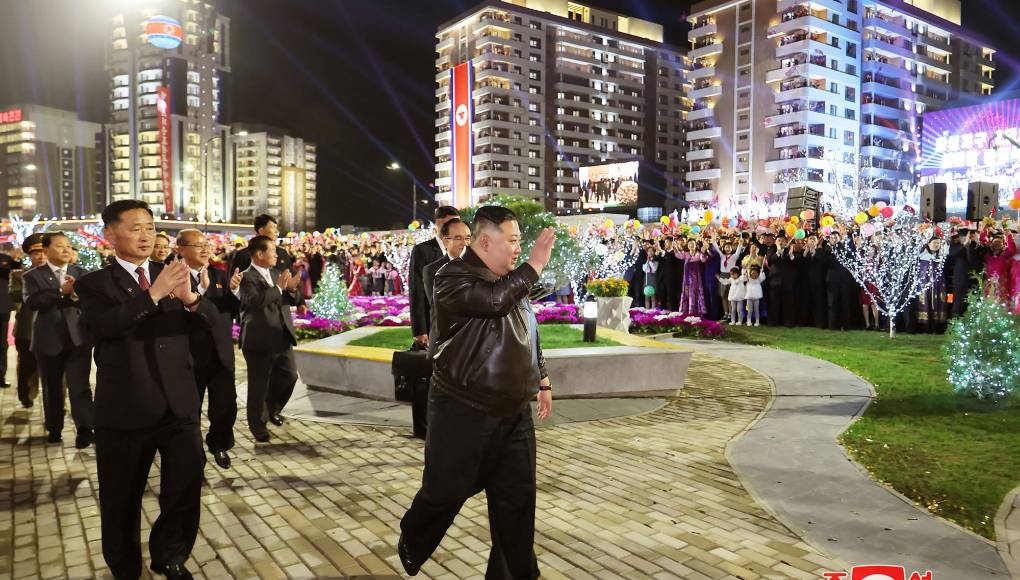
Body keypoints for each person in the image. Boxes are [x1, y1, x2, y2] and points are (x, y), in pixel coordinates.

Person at [398, 206, 555, 579]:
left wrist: (543, 381)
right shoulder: (450, 276)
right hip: (463, 410)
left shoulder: (511, 281)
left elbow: (530, 334)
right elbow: (493, 302)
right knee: (445, 493)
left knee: (516, 504)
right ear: (486, 241)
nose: (519, 248)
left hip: (514, 413)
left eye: (520, 241)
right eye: (513, 241)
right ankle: (413, 536)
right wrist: (532, 266)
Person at [75, 199, 218, 580]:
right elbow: (99, 328)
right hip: (125, 408)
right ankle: (124, 567)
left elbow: (211, 327)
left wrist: (191, 301)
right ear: (110, 235)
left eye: (151, 228)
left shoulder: (173, 272)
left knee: (185, 487)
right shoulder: (94, 284)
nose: (145, 235)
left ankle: (170, 555)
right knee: (121, 498)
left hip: (179, 405)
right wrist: (152, 295)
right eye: (136, 227)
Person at [176, 229, 243, 469]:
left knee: (225, 405)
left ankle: (219, 443)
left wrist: (236, 292)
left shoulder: (220, 275)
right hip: (190, 356)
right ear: (181, 249)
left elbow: (230, 310)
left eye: (206, 244)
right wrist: (201, 292)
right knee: (190, 409)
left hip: (220, 352)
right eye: (198, 245)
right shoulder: (173, 277)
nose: (205, 249)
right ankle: (194, 454)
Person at [23, 232, 95, 447]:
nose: (66, 250)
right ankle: (54, 428)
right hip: (48, 340)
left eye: (68, 246)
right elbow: (33, 302)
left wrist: (75, 294)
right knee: (52, 387)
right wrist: (60, 291)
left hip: (78, 340)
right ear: (46, 251)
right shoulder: (32, 275)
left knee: (80, 386)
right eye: (60, 246)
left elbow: (92, 301)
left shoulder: (81, 273)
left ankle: (85, 428)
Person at [238, 235, 303, 443]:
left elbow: (291, 299)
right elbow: (255, 302)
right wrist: (279, 289)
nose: (277, 255)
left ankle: (273, 409)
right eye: (272, 251)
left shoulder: (276, 274)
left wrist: (292, 289)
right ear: (259, 254)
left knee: (290, 376)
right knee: (259, 385)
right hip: (259, 340)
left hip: (281, 336)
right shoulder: (245, 277)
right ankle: (258, 425)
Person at [409, 206, 460, 348]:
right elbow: (416, 290)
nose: (456, 227)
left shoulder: (462, 249)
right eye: (452, 222)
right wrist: (420, 329)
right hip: (433, 322)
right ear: (439, 223)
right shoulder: (422, 250)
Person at [11, 234, 44, 408]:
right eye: (36, 253)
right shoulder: (19, 275)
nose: (41, 256)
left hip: (51, 330)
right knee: (26, 364)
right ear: (29, 256)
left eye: (44, 252)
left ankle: (54, 402)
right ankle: (25, 394)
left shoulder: (59, 274)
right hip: (26, 329)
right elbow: (14, 295)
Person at [422, 218, 471, 306]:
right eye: (458, 238)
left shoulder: (481, 265)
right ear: (445, 242)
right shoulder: (432, 270)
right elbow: (437, 308)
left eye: (467, 238)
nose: (465, 243)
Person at [229, 214, 294, 275]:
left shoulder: (282, 253)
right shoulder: (243, 255)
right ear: (261, 230)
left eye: (276, 228)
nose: (277, 231)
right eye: (273, 227)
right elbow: (233, 281)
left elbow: (291, 276)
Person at [0, 244, 19, 389]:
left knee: (2, 344)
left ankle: (0, 377)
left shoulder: (5, 259)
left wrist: (16, 258)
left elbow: (15, 270)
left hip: (2, 307)